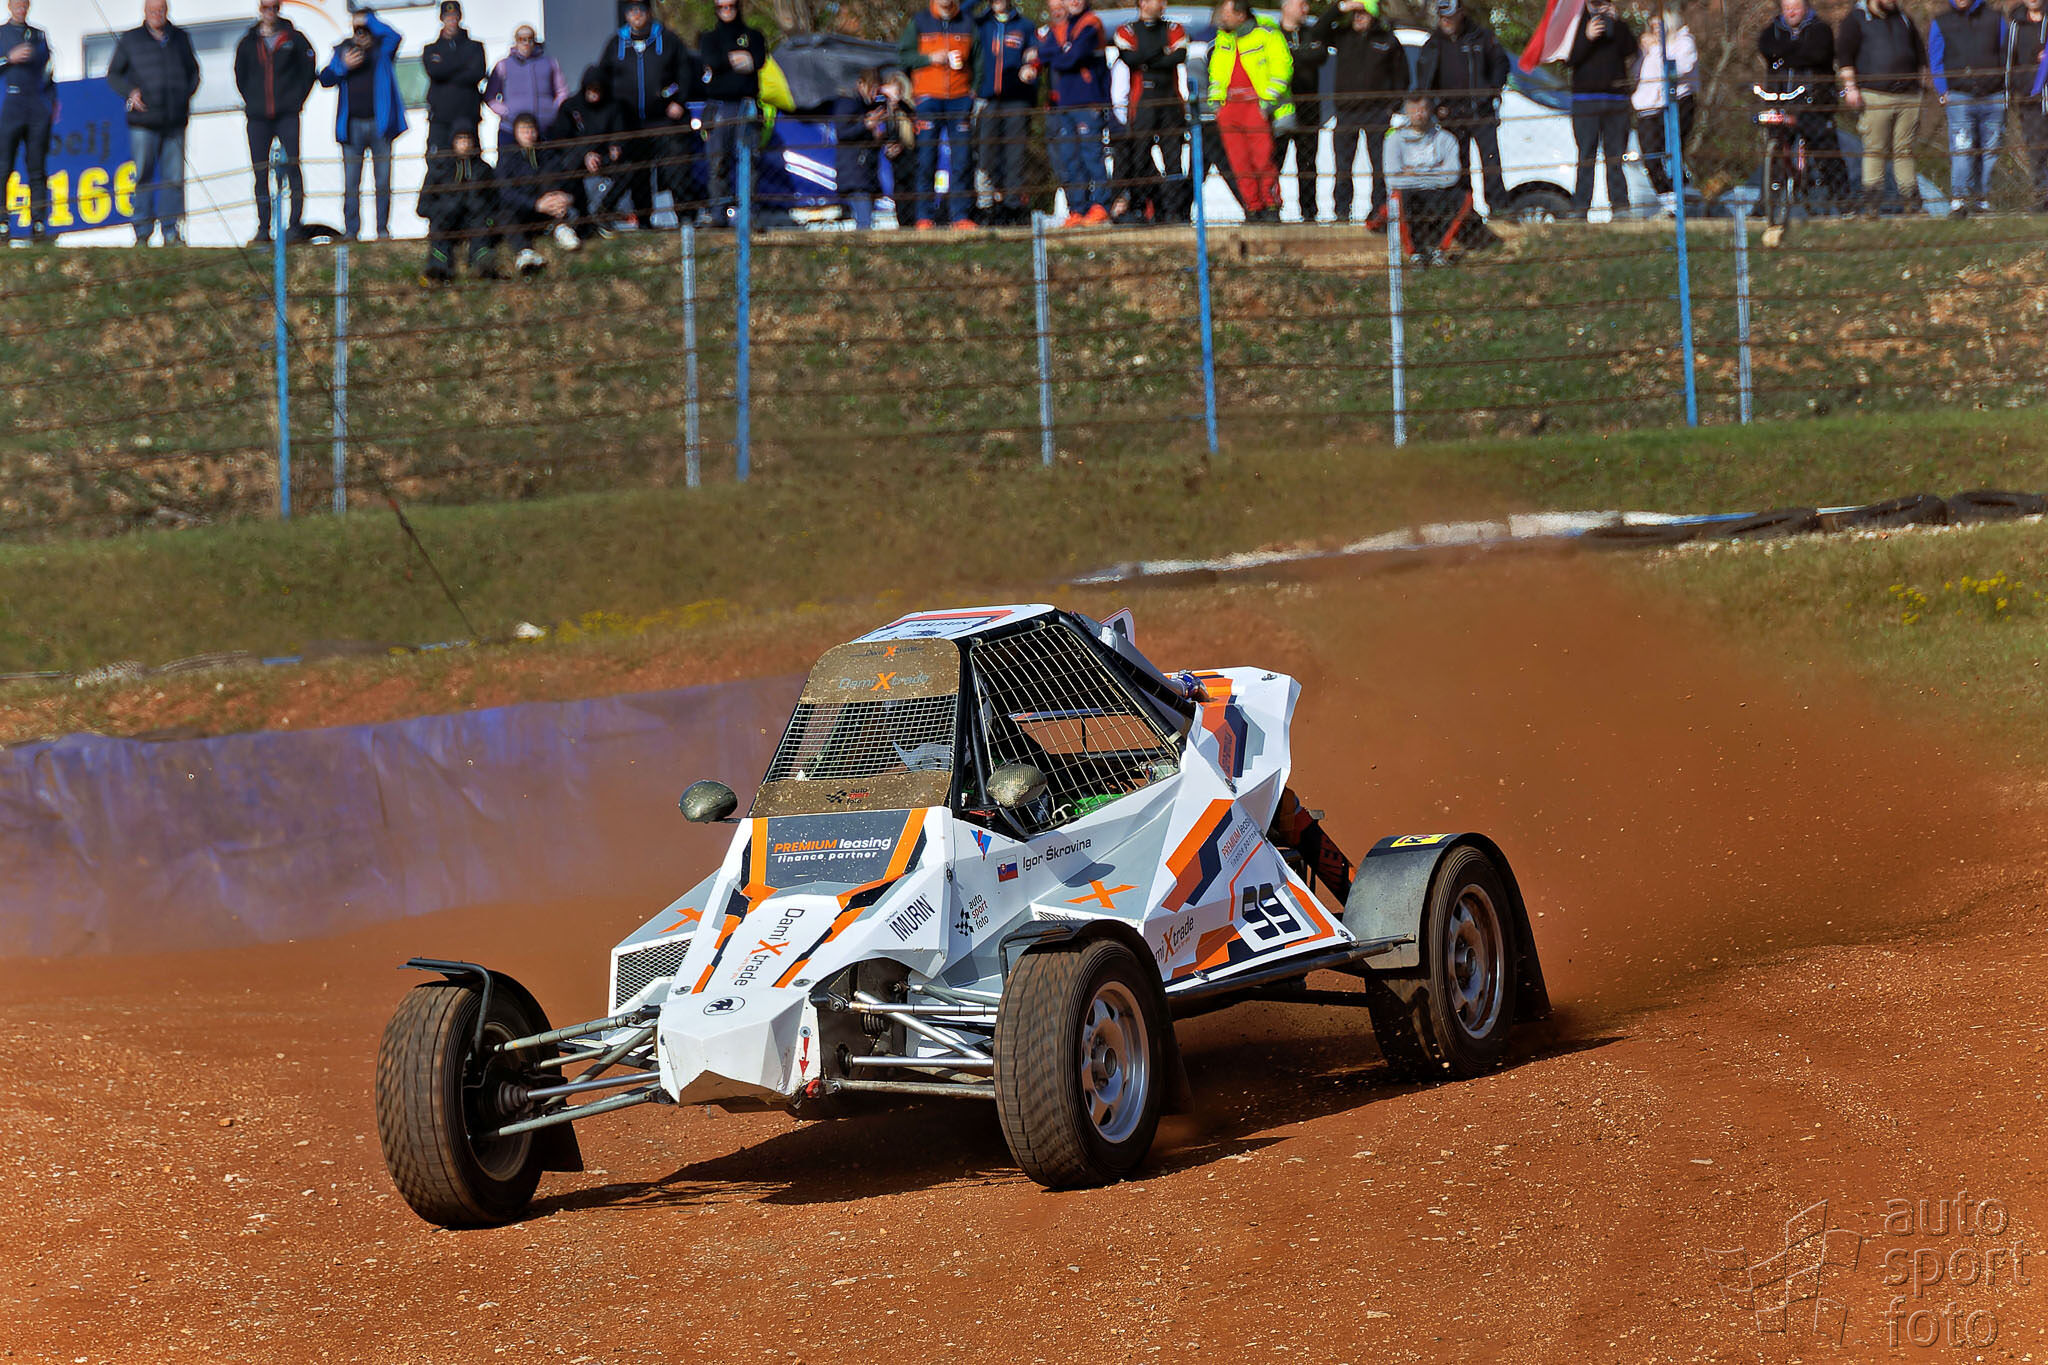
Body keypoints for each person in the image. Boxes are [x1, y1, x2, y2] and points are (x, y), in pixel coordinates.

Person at [104, 0, 201, 248]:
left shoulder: (180, 37)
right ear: (145, 13)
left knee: (173, 178)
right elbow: (114, 75)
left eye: (161, 10)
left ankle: (171, 231)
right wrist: (130, 92)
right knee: (143, 176)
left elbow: (194, 73)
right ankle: (142, 233)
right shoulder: (131, 39)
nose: (157, 14)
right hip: (143, 122)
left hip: (174, 121)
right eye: (152, 10)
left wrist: (184, 96)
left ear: (167, 11)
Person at [595, 0, 698, 227]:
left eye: (641, 10)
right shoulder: (615, 43)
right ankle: (643, 220)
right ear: (626, 15)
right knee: (638, 173)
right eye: (631, 11)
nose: (636, 15)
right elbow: (602, 78)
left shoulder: (669, 40)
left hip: (665, 119)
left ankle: (686, 218)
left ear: (649, 12)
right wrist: (613, 114)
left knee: (676, 170)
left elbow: (685, 73)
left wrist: (678, 101)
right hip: (630, 121)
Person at [1315, 0, 1405, 228]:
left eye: (1363, 13)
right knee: (1343, 166)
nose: (1358, 17)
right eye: (1355, 13)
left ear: (1373, 16)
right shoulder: (1343, 35)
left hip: (1377, 112)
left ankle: (1378, 210)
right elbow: (1318, 31)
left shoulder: (1387, 40)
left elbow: (1402, 76)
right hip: (1347, 111)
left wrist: (1392, 106)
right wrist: (1340, 8)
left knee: (1380, 165)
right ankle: (1342, 211)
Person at [319, 5, 406, 242]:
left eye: (364, 30)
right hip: (352, 127)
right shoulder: (343, 50)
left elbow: (395, 36)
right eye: (357, 30)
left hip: (380, 125)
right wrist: (343, 65)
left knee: (383, 181)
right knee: (351, 183)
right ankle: (351, 231)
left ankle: (382, 230)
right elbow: (325, 79)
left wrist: (368, 21)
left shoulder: (382, 50)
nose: (361, 35)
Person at [234, 0, 316, 246]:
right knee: (260, 173)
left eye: (274, 7)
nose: (270, 12)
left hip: (287, 115)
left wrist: (296, 100)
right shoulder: (247, 42)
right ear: (260, 9)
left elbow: (308, 71)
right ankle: (263, 228)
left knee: (293, 168)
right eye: (266, 7)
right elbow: (240, 76)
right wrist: (253, 100)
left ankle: (295, 226)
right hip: (258, 118)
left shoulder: (295, 38)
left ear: (279, 9)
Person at [1415, 0, 1510, 213]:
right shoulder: (1432, 43)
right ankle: (1463, 212)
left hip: (1480, 111)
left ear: (1460, 13)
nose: (1445, 21)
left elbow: (1501, 64)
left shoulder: (1482, 37)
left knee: (1491, 161)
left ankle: (1498, 208)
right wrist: (1436, 106)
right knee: (1457, 166)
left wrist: (1491, 91)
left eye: (1449, 16)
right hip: (1450, 114)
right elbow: (1424, 80)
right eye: (1442, 17)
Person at [1206, 0, 1292, 222]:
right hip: (1230, 107)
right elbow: (1216, 71)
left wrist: (1267, 102)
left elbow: (1282, 67)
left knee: (1263, 160)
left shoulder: (1267, 34)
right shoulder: (1223, 38)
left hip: (1256, 105)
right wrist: (1217, 103)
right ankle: (1252, 207)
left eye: (1227, 13)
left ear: (1241, 15)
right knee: (1239, 163)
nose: (1222, 17)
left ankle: (1270, 205)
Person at [1838, 0, 1927, 214]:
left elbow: (1920, 55)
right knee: (1874, 150)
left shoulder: (1904, 19)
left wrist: (1922, 85)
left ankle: (1911, 202)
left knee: (1904, 150)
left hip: (1908, 96)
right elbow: (1845, 58)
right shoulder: (1855, 20)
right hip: (1875, 96)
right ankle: (1872, 204)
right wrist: (1850, 88)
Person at [1758, 0, 1850, 209]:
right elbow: (1766, 49)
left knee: (1826, 149)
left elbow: (1817, 54)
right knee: (1775, 149)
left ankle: (1843, 200)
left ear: (1805, 8)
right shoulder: (1772, 31)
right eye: (1787, 8)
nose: (1791, 12)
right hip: (1780, 100)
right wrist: (1797, 52)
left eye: (1795, 7)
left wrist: (1785, 55)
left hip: (1814, 102)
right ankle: (1767, 203)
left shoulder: (1821, 30)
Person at [1386, 92, 1495, 264]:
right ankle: (1415, 254)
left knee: (1464, 197)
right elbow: (1392, 179)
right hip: (1411, 193)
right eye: (1413, 110)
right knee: (1397, 197)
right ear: (1406, 113)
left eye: (1423, 109)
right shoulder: (1395, 141)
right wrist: (1434, 171)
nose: (1419, 114)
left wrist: (1413, 172)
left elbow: (1452, 176)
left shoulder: (1446, 139)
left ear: (1430, 111)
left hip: (1439, 192)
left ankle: (1440, 250)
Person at [899, 0, 979, 228]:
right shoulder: (919, 22)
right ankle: (924, 217)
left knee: (962, 160)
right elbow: (903, 57)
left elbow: (979, 60)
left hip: (960, 99)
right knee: (926, 160)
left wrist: (974, 91)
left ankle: (960, 216)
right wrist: (929, 58)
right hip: (928, 99)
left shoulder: (967, 23)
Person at [1112, 0, 1190, 223]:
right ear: (1143, 3)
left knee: (1173, 160)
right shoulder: (1127, 30)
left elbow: (1179, 56)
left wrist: (1146, 59)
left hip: (1170, 103)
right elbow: (1129, 58)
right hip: (1142, 103)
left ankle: (1174, 211)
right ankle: (1141, 208)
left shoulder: (1173, 28)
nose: (1162, 3)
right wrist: (1161, 54)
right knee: (1139, 157)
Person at [1932, 0, 2009, 214]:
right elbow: (1936, 60)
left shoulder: (1995, 19)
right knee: (1962, 148)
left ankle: (1983, 199)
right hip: (1959, 96)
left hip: (1994, 96)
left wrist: (2005, 87)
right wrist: (1942, 90)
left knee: (1991, 150)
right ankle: (1960, 199)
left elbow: (2006, 54)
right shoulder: (1941, 22)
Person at [1044, 0, 1113, 224]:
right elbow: (1044, 53)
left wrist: (1060, 53)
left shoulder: (1090, 23)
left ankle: (1100, 206)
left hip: (1089, 102)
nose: (1073, 1)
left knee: (1092, 156)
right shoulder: (1062, 27)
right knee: (1069, 158)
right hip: (1066, 103)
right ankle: (1078, 209)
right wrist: (1061, 51)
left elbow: (1074, 56)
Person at [700, 0, 768, 225]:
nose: (727, 11)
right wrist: (738, 59)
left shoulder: (753, 35)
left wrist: (726, 61)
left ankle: (749, 214)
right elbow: (711, 61)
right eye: (722, 7)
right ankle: (718, 215)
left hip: (746, 105)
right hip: (719, 106)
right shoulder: (709, 38)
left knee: (748, 161)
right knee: (717, 163)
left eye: (731, 6)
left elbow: (758, 60)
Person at [1566, 0, 1636, 218]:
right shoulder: (1576, 23)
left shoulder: (1618, 25)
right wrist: (1586, 37)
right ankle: (1580, 208)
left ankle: (1620, 207)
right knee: (1586, 156)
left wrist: (1619, 23)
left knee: (1615, 157)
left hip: (1616, 100)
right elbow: (1568, 58)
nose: (1600, 8)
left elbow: (1631, 49)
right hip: (1586, 100)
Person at [974, 0, 1039, 225]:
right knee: (986, 155)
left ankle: (1011, 207)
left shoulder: (1025, 25)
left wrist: (1031, 68)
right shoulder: (981, 23)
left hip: (1017, 100)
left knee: (1015, 156)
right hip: (988, 99)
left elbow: (1035, 56)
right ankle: (987, 206)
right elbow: (959, 11)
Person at [1632, 9, 1697, 216]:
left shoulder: (1683, 43)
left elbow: (1676, 70)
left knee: (1671, 152)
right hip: (1648, 107)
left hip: (1675, 104)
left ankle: (1679, 196)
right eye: (1652, 27)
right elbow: (1639, 74)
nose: (1656, 31)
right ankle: (1669, 197)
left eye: (1660, 26)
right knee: (1651, 156)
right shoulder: (1650, 48)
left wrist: (1657, 50)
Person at [0, 0, 54, 246]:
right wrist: (8, 58)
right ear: (10, 6)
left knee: (37, 169)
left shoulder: (39, 35)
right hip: (9, 109)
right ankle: (2, 222)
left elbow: (49, 71)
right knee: (3, 168)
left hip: (36, 111)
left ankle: (39, 222)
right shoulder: (2, 34)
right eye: (17, 4)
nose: (21, 9)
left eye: (24, 5)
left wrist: (50, 103)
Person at [497, 113, 579, 274]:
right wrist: (535, 204)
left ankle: (562, 228)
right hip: (523, 210)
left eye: (531, 130)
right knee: (504, 215)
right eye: (523, 131)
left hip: (549, 208)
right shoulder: (507, 156)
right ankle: (525, 252)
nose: (528, 135)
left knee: (549, 178)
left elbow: (563, 178)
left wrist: (564, 197)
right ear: (515, 133)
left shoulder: (547, 152)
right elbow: (505, 192)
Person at [551, 65, 628, 233]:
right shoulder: (570, 106)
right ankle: (581, 215)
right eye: (591, 89)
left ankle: (605, 208)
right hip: (576, 156)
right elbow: (561, 139)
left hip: (604, 155)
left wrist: (616, 146)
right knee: (566, 169)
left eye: (598, 90)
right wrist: (584, 154)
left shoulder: (613, 106)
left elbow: (619, 131)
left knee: (628, 168)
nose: (594, 94)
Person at [832, 68, 910, 228]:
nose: (874, 94)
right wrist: (866, 125)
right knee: (864, 223)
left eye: (877, 89)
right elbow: (843, 132)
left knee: (866, 220)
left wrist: (879, 137)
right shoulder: (848, 103)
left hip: (866, 174)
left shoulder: (867, 107)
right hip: (855, 175)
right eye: (871, 88)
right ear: (860, 84)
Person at [418, 124, 497, 283]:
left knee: (482, 225)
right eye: (460, 139)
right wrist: (443, 209)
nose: (464, 144)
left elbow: (495, 199)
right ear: (452, 142)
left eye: (468, 139)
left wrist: (483, 209)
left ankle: (482, 263)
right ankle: (439, 267)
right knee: (439, 227)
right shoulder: (439, 168)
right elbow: (423, 206)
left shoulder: (483, 168)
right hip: (446, 219)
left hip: (474, 219)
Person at [1275, 0, 1327, 222]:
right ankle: (1271, 208)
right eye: (1301, 4)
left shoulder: (1311, 32)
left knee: (1307, 163)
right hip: (1280, 110)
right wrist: (1301, 54)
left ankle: (1309, 211)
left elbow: (1320, 55)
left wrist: (1292, 55)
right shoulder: (1272, 34)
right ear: (1286, 6)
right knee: (1273, 161)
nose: (1305, 9)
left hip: (1309, 108)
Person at [486, 25, 568, 152]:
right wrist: (507, 111)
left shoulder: (550, 63)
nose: (526, 43)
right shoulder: (503, 65)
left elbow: (562, 91)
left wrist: (553, 110)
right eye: (522, 39)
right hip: (511, 128)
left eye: (530, 39)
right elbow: (490, 96)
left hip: (544, 127)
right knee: (510, 162)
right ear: (516, 41)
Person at [423, 2, 486, 153]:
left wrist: (445, 66)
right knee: (439, 159)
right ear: (442, 19)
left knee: (471, 158)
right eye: (448, 17)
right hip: (441, 116)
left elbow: (476, 73)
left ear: (459, 17)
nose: (451, 20)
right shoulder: (431, 49)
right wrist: (463, 63)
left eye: (454, 16)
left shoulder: (475, 47)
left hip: (467, 114)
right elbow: (435, 72)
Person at [2011, 0, 2048, 210]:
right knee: (2036, 151)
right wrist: (2020, 85)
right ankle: (2043, 198)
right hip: (2030, 99)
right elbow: (2009, 60)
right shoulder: (2015, 24)